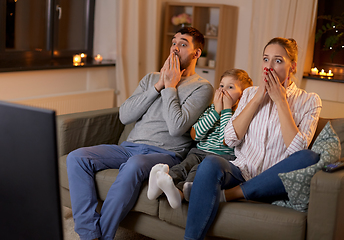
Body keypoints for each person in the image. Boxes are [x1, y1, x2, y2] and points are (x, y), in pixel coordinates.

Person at [66, 27, 214, 240]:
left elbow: (176, 127)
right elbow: (125, 116)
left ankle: (103, 236)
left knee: (134, 165)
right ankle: (89, 234)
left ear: (196, 53)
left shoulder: (202, 88)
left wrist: (170, 87)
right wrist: (158, 86)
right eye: (173, 43)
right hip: (129, 147)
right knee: (77, 158)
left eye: (183, 44)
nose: (175, 49)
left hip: (166, 153)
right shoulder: (151, 79)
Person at [184, 37, 322, 240]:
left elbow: (297, 152)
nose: (269, 67)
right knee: (211, 162)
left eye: (278, 60)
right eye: (266, 59)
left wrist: (280, 101)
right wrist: (258, 98)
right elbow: (230, 139)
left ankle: (233, 194)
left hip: (274, 180)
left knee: (309, 157)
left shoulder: (309, 101)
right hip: (242, 171)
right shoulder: (248, 94)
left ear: (292, 66)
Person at [147, 69, 253, 209]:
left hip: (220, 159)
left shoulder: (240, 117)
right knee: (182, 168)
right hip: (198, 152)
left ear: (242, 96)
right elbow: (195, 135)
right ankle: (159, 186)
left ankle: (180, 195)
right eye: (221, 86)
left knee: (197, 171)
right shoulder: (211, 110)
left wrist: (227, 110)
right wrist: (216, 112)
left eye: (230, 87)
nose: (223, 91)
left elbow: (226, 140)